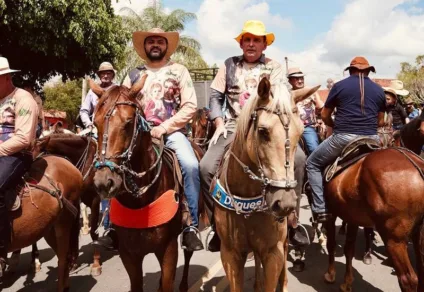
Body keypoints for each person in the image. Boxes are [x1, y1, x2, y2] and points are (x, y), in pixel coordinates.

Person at [199, 20, 308, 252]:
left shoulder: (274, 67)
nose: (251, 44)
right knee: (206, 167)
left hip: (267, 126)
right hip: (234, 127)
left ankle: (292, 220)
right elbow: (215, 98)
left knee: (299, 159)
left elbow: (282, 98)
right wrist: (218, 122)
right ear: (241, 43)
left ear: (264, 45)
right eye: (247, 39)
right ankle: (216, 227)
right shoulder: (228, 65)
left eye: (256, 40)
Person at [120, 27, 202, 251]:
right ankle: (109, 225)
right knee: (111, 163)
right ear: (145, 46)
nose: (155, 45)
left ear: (166, 46)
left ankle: (191, 225)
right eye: (151, 41)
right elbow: (121, 104)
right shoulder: (133, 74)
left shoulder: (179, 71)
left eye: (160, 41)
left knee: (191, 165)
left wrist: (165, 127)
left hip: (172, 132)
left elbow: (189, 106)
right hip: (138, 134)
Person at [306, 56, 386, 222]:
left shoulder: (339, 86)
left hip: (344, 138)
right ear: (369, 71)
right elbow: (381, 121)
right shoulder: (379, 90)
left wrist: (333, 124)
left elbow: (325, 114)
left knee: (312, 163)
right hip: (372, 138)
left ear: (350, 70)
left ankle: (320, 208)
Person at [0, 57, 38, 276]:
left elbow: (24, 138)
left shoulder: (23, 99)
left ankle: (1, 253)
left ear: (6, 78)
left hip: (16, 155)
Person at [287, 67, 324, 154]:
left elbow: (321, 107)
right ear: (290, 81)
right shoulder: (287, 94)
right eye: (296, 79)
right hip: (291, 127)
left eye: (301, 78)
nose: (300, 81)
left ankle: (314, 166)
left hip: (307, 127)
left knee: (314, 148)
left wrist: (315, 95)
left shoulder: (310, 91)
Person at [79, 62, 117, 130]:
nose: (105, 76)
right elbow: (84, 110)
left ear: (112, 75)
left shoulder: (117, 90)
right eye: (103, 73)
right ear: (99, 75)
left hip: (114, 128)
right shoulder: (92, 91)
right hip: (95, 128)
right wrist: (88, 124)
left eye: (108, 73)